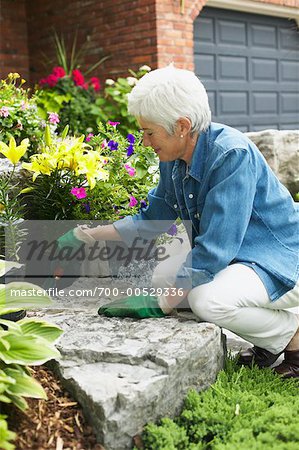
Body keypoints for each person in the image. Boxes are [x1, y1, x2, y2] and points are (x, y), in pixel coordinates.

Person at [56, 65, 299, 379]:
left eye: (149, 132)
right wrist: (87, 235)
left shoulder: (230, 155)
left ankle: (292, 339)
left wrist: (164, 303)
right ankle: (267, 335)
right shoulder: (176, 159)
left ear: (182, 126)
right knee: (165, 276)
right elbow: (152, 215)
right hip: (247, 258)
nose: (144, 141)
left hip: (282, 260)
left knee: (205, 300)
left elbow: (215, 249)